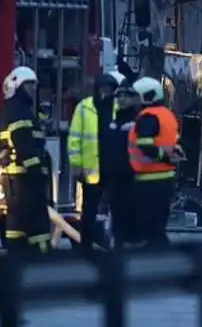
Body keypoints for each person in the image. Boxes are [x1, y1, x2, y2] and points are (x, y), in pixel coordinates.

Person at [0, 66, 52, 254]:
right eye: (28, 85)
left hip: (16, 181)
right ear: (16, 87)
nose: (33, 90)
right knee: (38, 223)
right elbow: (25, 145)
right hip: (26, 180)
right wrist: (37, 173)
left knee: (16, 223)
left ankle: (16, 257)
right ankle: (42, 260)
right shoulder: (18, 112)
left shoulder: (14, 111)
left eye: (34, 86)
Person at [67, 71, 122, 255]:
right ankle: (86, 247)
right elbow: (74, 139)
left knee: (117, 209)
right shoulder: (84, 108)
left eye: (110, 88)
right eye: (103, 88)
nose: (106, 92)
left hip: (112, 169)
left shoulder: (118, 108)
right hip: (91, 171)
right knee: (88, 210)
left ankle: (116, 244)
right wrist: (76, 165)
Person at [127, 76, 184, 248]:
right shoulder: (167, 115)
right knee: (158, 225)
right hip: (166, 179)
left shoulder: (147, 118)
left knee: (150, 228)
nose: (135, 101)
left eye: (137, 96)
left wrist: (161, 155)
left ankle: (158, 262)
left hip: (149, 180)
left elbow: (145, 146)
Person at [106, 78, 141, 248]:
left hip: (131, 183)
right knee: (117, 226)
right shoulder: (114, 123)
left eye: (126, 95)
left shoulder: (136, 124)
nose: (121, 99)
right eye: (118, 95)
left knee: (129, 227)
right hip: (114, 183)